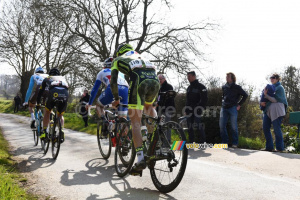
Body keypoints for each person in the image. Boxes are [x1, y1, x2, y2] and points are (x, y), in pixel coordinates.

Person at [110, 43, 160, 175]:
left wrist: (116, 98)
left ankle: (140, 159)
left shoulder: (117, 60)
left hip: (139, 80)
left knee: (135, 122)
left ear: (118, 53)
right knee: (148, 107)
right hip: (154, 80)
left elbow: (113, 81)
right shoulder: (140, 56)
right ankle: (155, 138)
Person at [37, 68, 69, 142]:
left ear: (49, 74)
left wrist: (38, 103)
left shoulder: (47, 78)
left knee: (47, 111)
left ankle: (45, 132)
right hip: (65, 94)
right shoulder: (63, 79)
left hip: (53, 94)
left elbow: (40, 93)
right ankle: (62, 130)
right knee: (60, 115)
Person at [219, 72, 248, 148]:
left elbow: (245, 95)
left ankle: (235, 143)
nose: (226, 78)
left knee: (233, 126)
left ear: (232, 78)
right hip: (224, 108)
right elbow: (223, 96)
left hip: (233, 108)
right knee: (221, 125)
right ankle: (224, 142)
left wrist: (239, 104)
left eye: (228, 77)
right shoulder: (224, 87)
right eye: (226, 77)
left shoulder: (237, 87)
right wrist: (223, 101)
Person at [261, 73, 288, 152]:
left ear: (278, 79)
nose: (272, 79)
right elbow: (263, 98)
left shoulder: (280, 88)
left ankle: (280, 148)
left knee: (276, 129)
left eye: (274, 77)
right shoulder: (269, 88)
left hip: (277, 112)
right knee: (265, 127)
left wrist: (266, 95)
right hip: (268, 111)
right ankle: (269, 147)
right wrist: (261, 103)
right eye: (271, 77)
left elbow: (276, 100)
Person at [185, 71, 208, 143]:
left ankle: (202, 142)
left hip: (197, 109)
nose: (188, 78)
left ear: (194, 76)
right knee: (190, 127)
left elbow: (204, 99)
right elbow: (187, 100)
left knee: (198, 125)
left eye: (189, 76)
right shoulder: (189, 87)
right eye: (187, 77)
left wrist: (199, 107)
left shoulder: (201, 87)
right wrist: (186, 110)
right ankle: (191, 142)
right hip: (189, 110)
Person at [156, 74, 176, 143]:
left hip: (167, 109)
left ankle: (168, 141)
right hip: (160, 109)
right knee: (161, 125)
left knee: (167, 124)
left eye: (160, 79)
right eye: (158, 80)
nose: (159, 81)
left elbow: (169, 98)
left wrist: (160, 102)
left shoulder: (169, 86)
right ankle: (162, 141)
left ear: (164, 79)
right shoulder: (159, 87)